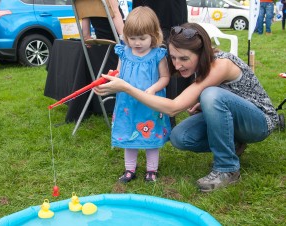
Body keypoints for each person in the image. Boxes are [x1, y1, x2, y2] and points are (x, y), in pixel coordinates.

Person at [94, 23, 279, 192]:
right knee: (179, 137)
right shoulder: (203, 64)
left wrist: (126, 87)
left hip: (260, 123)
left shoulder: (221, 64)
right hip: (238, 118)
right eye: (173, 58)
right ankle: (234, 144)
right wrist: (206, 106)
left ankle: (227, 168)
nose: (177, 64)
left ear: (202, 53)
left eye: (184, 58)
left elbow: (174, 108)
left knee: (210, 95)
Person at [110, 6, 171, 183]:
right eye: (132, 38)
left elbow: (165, 77)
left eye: (142, 38)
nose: (137, 42)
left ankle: (151, 170)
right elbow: (119, 74)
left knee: (150, 135)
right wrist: (112, 77)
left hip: (150, 104)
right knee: (129, 134)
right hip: (128, 104)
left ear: (153, 35)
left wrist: (153, 89)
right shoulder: (124, 53)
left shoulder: (157, 54)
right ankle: (130, 169)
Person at [132, 0, 189, 128]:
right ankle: (152, 113)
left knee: (168, 67)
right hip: (154, 21)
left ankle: (168, 117)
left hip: (168, 23)